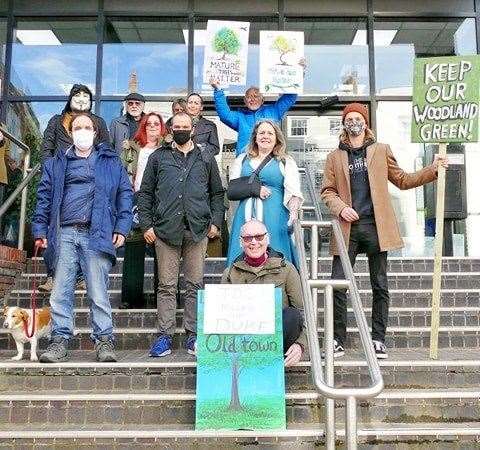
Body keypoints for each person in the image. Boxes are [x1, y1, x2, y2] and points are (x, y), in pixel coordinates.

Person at [320, 103, 449, 360]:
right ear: (344, 124)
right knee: (337, 285)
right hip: (348, 228)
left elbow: (402, 180)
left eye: (358, 118)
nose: (353, 122)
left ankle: (378, 339)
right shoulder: (334, 157)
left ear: (365, 123)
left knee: (380, 285)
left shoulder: (380, 150)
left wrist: (433, 169)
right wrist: (341, 207)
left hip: (376, 227)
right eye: (349, 118)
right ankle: (337, 340)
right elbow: (327, 191)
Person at [32, 112, 133, 363]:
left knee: (98, 292)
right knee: (60, 292)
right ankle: (59, 341)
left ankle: (104, 341)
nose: (83, 131)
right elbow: (43, 198)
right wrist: (39, 230)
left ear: (96, 132)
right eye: (78, 127)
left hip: (97, 233)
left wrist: (121, 227)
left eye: (87, 127)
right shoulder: (55, 163)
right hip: (64, 233)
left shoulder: (111, 161)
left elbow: (125, 194)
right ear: (70, 132)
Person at [137, 112, 225, 358]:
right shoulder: (158, 158)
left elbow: (217, 193)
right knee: (166, 285)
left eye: (186, 126)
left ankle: (192, 334)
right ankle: (164, 336)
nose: (182, 130)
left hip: (197, 231)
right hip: (165, 231)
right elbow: (145, 194)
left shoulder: (206, 157)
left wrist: (215, 223)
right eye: (177, 126)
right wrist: (146, 226)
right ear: (170, 129)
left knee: (195, 285)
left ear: (193, 129)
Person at [39, 83, 110, 292]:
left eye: (85, 95)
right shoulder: (56, 121)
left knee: (84, 229)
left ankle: (80, 275)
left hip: (88, 184)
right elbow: (46, 149)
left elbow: (106, 150)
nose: (81, 98)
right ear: (69, 98)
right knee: (56, 228)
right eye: (76, 95)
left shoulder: (98, 122)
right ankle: (52, 274)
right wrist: (50, 171)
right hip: (59, 183)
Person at [222, 219, 306, 367]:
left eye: (259, 237)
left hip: (277, 338)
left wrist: (301, 345)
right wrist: (203, 344)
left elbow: (303, 312)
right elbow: (219, 316)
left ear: (267, 239)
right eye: (248, 238)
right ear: (241, 242)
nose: (254, 242)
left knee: (292, 315)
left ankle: (268, 365)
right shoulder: (230, 273)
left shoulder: (287, 269)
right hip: (243, 338)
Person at [226, 120, 303, 267]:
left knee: (276, 255)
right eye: (261, 133)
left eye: (270, 133)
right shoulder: (242, 160)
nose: (265, 136)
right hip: (245, 217)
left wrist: (293, 213)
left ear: (276, 138)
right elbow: (233, 189)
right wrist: (254, 189)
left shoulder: (285, 161)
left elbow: (293, 191)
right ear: (255, 137)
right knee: (241, 256)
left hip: (275, 217)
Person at [210, 59, 306, 156]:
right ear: (245, 101)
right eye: (249, 97)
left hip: (269, 160)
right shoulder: (240, 117)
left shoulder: (274, 111)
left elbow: (289, 97)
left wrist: (298, 74)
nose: (252, 99)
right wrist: (218, 89)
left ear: (262, 100)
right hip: (246, 161)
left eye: (256, 96)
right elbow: (224, 114)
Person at [119, 112, 166, 309]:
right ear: (143, 126)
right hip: (137, 199)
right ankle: (130, 297)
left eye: (157, 123)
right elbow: (121, 173)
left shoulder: (168, 149)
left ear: (162, 127)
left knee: (162, 249)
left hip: (162, 201)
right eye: (149, 124)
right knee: (134, 247)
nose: (153, 126)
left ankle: (161, 296)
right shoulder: (132, 148)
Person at [186, 93, 220, 158]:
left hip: (200, 163)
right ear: (186, 105)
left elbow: (215, 148)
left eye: (196, 103)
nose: (192, 106)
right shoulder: (177, 123)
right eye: (190, 102)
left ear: (201, 107)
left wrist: (201, 148)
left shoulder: (210, 126)